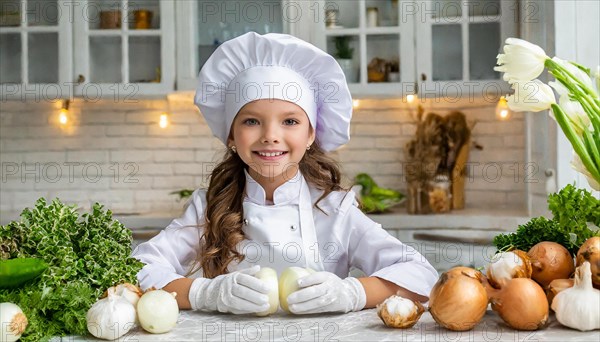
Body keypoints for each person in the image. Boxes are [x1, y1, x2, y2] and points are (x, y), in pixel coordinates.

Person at [132, 32, 438, 315]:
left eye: (289, 121)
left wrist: (352, 293)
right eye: (251, 121)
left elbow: (420, 274)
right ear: (230, 135)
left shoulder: (335, 210)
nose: (270, 136)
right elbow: (137, 267)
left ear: (310, 136)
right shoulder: (209, 207)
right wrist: (204, 294)